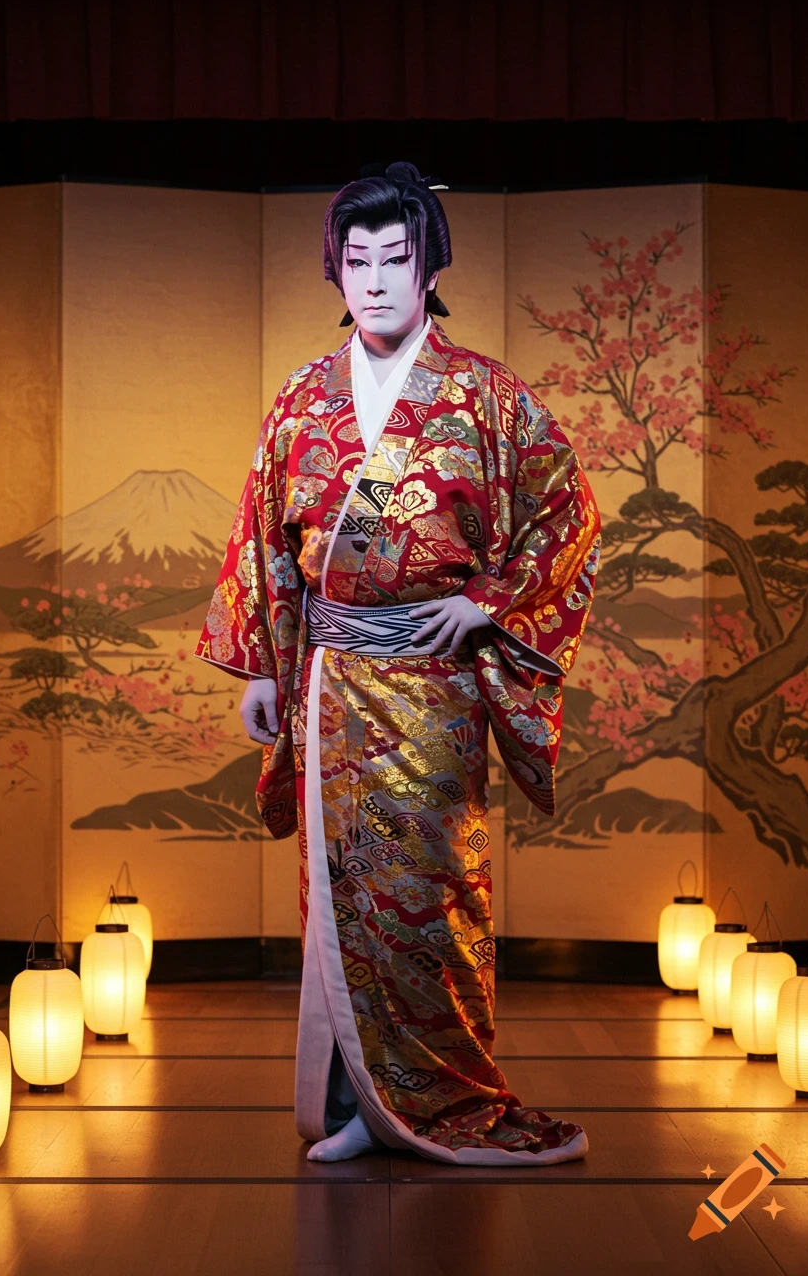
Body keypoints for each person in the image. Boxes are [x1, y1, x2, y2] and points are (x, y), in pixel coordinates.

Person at [195, 161, 601, 1166]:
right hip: (332, 680)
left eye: (395, 256)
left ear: (428, 267)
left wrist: (484, 602)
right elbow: (262, 541)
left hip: (433, 690)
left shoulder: (482, 395)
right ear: (335, 271)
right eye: (356, 258)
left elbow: (568, 514)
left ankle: (446, 1094)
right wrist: (260, 670)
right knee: (336, 897)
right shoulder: (301, 397)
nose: (374, 278)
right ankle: (351, 1108)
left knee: (432, 890)